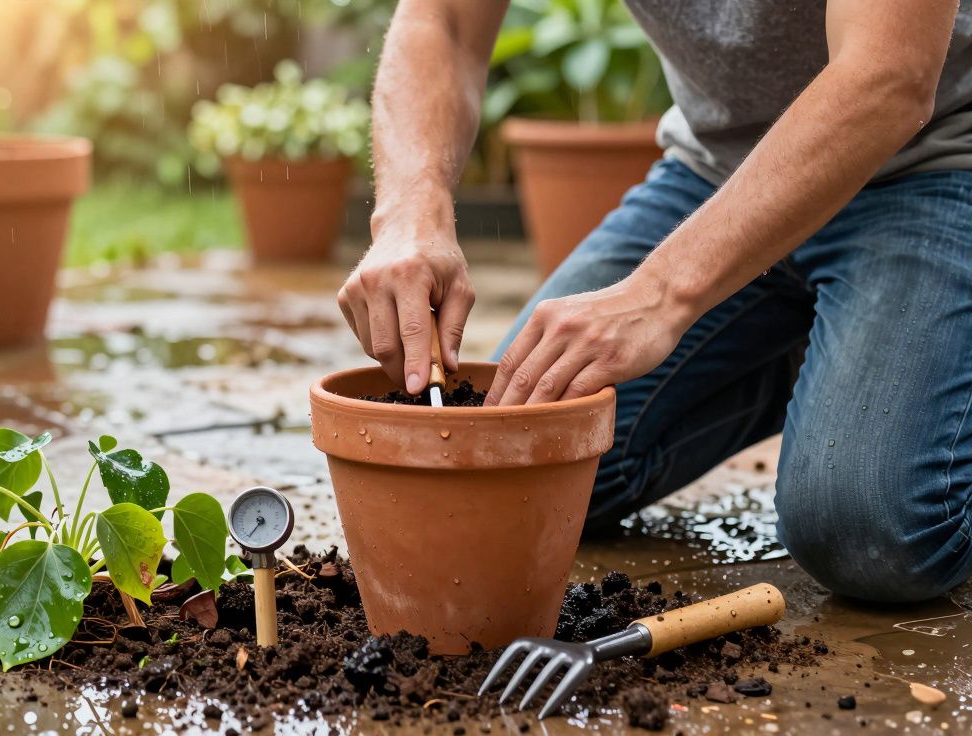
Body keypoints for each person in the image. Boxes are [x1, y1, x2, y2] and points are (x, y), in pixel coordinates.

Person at [337, 0, 972, 603]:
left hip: (936, 162)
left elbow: (888, 76)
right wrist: (410, 210)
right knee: (520, 468)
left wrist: (659, 295)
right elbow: (441, 20)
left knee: (870, 535)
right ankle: (821, 355)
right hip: (716, 175)